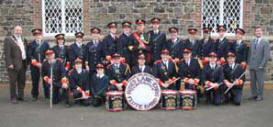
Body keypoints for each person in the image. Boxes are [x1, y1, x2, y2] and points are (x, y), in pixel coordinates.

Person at [4, 25, 28, 103]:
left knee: (22, 80)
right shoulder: (9, 39)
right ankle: (13, 97)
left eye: (20, 30)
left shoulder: (24, 39)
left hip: (23, 62)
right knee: (13, 81)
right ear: (14, 31)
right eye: (17, 30)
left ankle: (20, 96)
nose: (19, 32)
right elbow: (7, 53)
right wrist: (9, 63)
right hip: (13, 64)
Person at [248, 26, 270, 101]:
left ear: (262, 32)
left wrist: (262, 65)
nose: (258, 32)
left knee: (260, 82)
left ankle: (260, 95)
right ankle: (254, 94)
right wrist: (249, 63)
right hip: (252, 65)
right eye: (257, 31)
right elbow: (249, 53)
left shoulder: (265, 42)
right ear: (255, 32)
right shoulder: (252, 41)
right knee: (253, 81)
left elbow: (266, 55)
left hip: (260, 66)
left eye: (259, 31)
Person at [27, 28, 50, 101]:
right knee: (35, 80)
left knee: (45, 79)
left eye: (39, 35)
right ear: (34, 36)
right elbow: (29, 55)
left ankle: (47, 94)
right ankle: (35, 94)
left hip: (44, 65)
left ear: (41, 35)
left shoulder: (45, 44)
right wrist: (35, 62)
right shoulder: (31, 44)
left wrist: (45, 59)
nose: (38, 36)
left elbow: (48, 53)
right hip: (34, 66)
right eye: (36, 35)